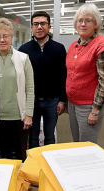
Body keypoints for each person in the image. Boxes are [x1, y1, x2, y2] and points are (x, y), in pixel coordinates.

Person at [66, 3, 104, 143]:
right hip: (73, 103)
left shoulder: (102, 46)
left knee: (87, 145)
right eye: (80, 20)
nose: (83, 24)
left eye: (88, 20)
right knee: (77, 141)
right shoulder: (74, 45)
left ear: (96, 24)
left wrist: (95, 110)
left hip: (89, 105)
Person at [0, 18, 34, 161]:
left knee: (20, 154)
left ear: (11, 37)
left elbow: (30, 88)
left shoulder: (23, 59)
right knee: (4, 154)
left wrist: (29, 114)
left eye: (5, 36)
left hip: (18, 117)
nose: (2, 40)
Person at [19, 11, 67, 149]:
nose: (39, 27)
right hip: (32, 101)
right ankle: (34, 163)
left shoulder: (59, 49)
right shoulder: (24, 49)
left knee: (50, 135)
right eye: (35, 24)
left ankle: (48, 162)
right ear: (32, 28)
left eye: (43, 23)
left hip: (52, 101)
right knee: (32, 136)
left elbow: (63, 75)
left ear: (49, 26)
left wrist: (62, 100)